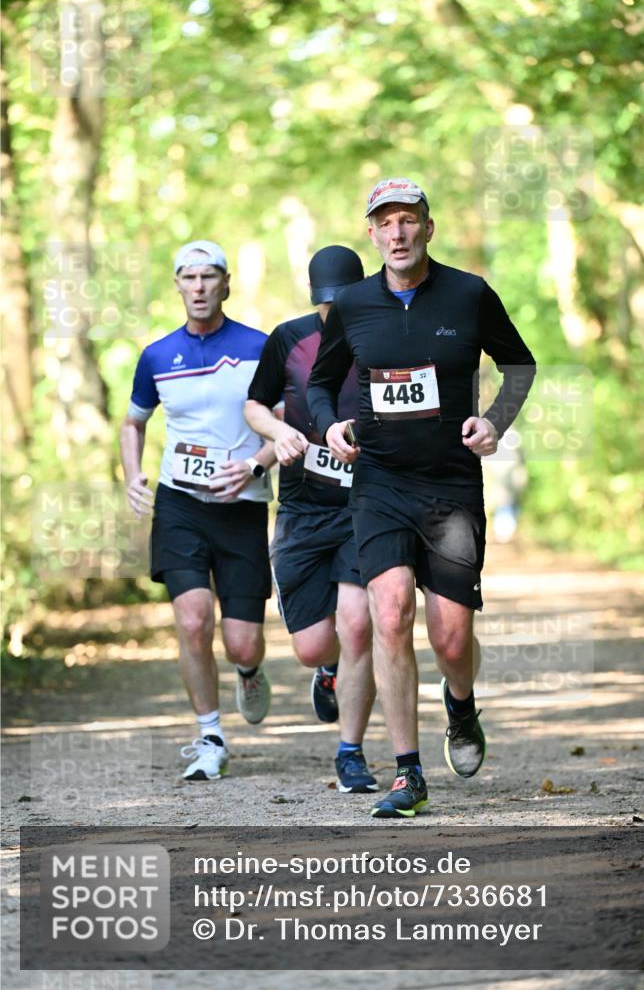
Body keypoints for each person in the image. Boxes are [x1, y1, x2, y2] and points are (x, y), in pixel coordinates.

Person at [307, 179, 536, 818]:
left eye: (409, 220)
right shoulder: (352, 305)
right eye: (386, 223)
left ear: (428, 229)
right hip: (379, 483)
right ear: (373, 235)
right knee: (388, 614)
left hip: (452, 486)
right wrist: (328, 425)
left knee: (452, 636)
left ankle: (460, 708)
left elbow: (520, 364)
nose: (398, 233)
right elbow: (322, 384)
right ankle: (408, 774)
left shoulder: (469, 294)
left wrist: (495, 420)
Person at [121, 240, 275, 782]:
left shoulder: (260, 347)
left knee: (241, 641)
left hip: (242, 505)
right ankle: (210, 734)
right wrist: (132, 474)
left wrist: (256, 464)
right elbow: (133, 422)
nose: (200, 287)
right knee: (191, 618)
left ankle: (250, 671)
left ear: (226, 284)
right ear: (179, 287)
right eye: (190, 278)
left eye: (210, 277)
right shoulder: (158, 355)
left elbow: (284, 428)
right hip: (180, 503)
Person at [244, 246, 378, 794]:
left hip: (363, 506)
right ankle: (327, 672)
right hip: (301, 507)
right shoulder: (289, 339)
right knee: (313, 647)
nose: (334, 315)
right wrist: (278, 434)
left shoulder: (384, 334)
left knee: (358, 625)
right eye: (326, 306)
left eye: (343, 303)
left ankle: (351, 752)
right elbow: (255, 405)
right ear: (313, 300)